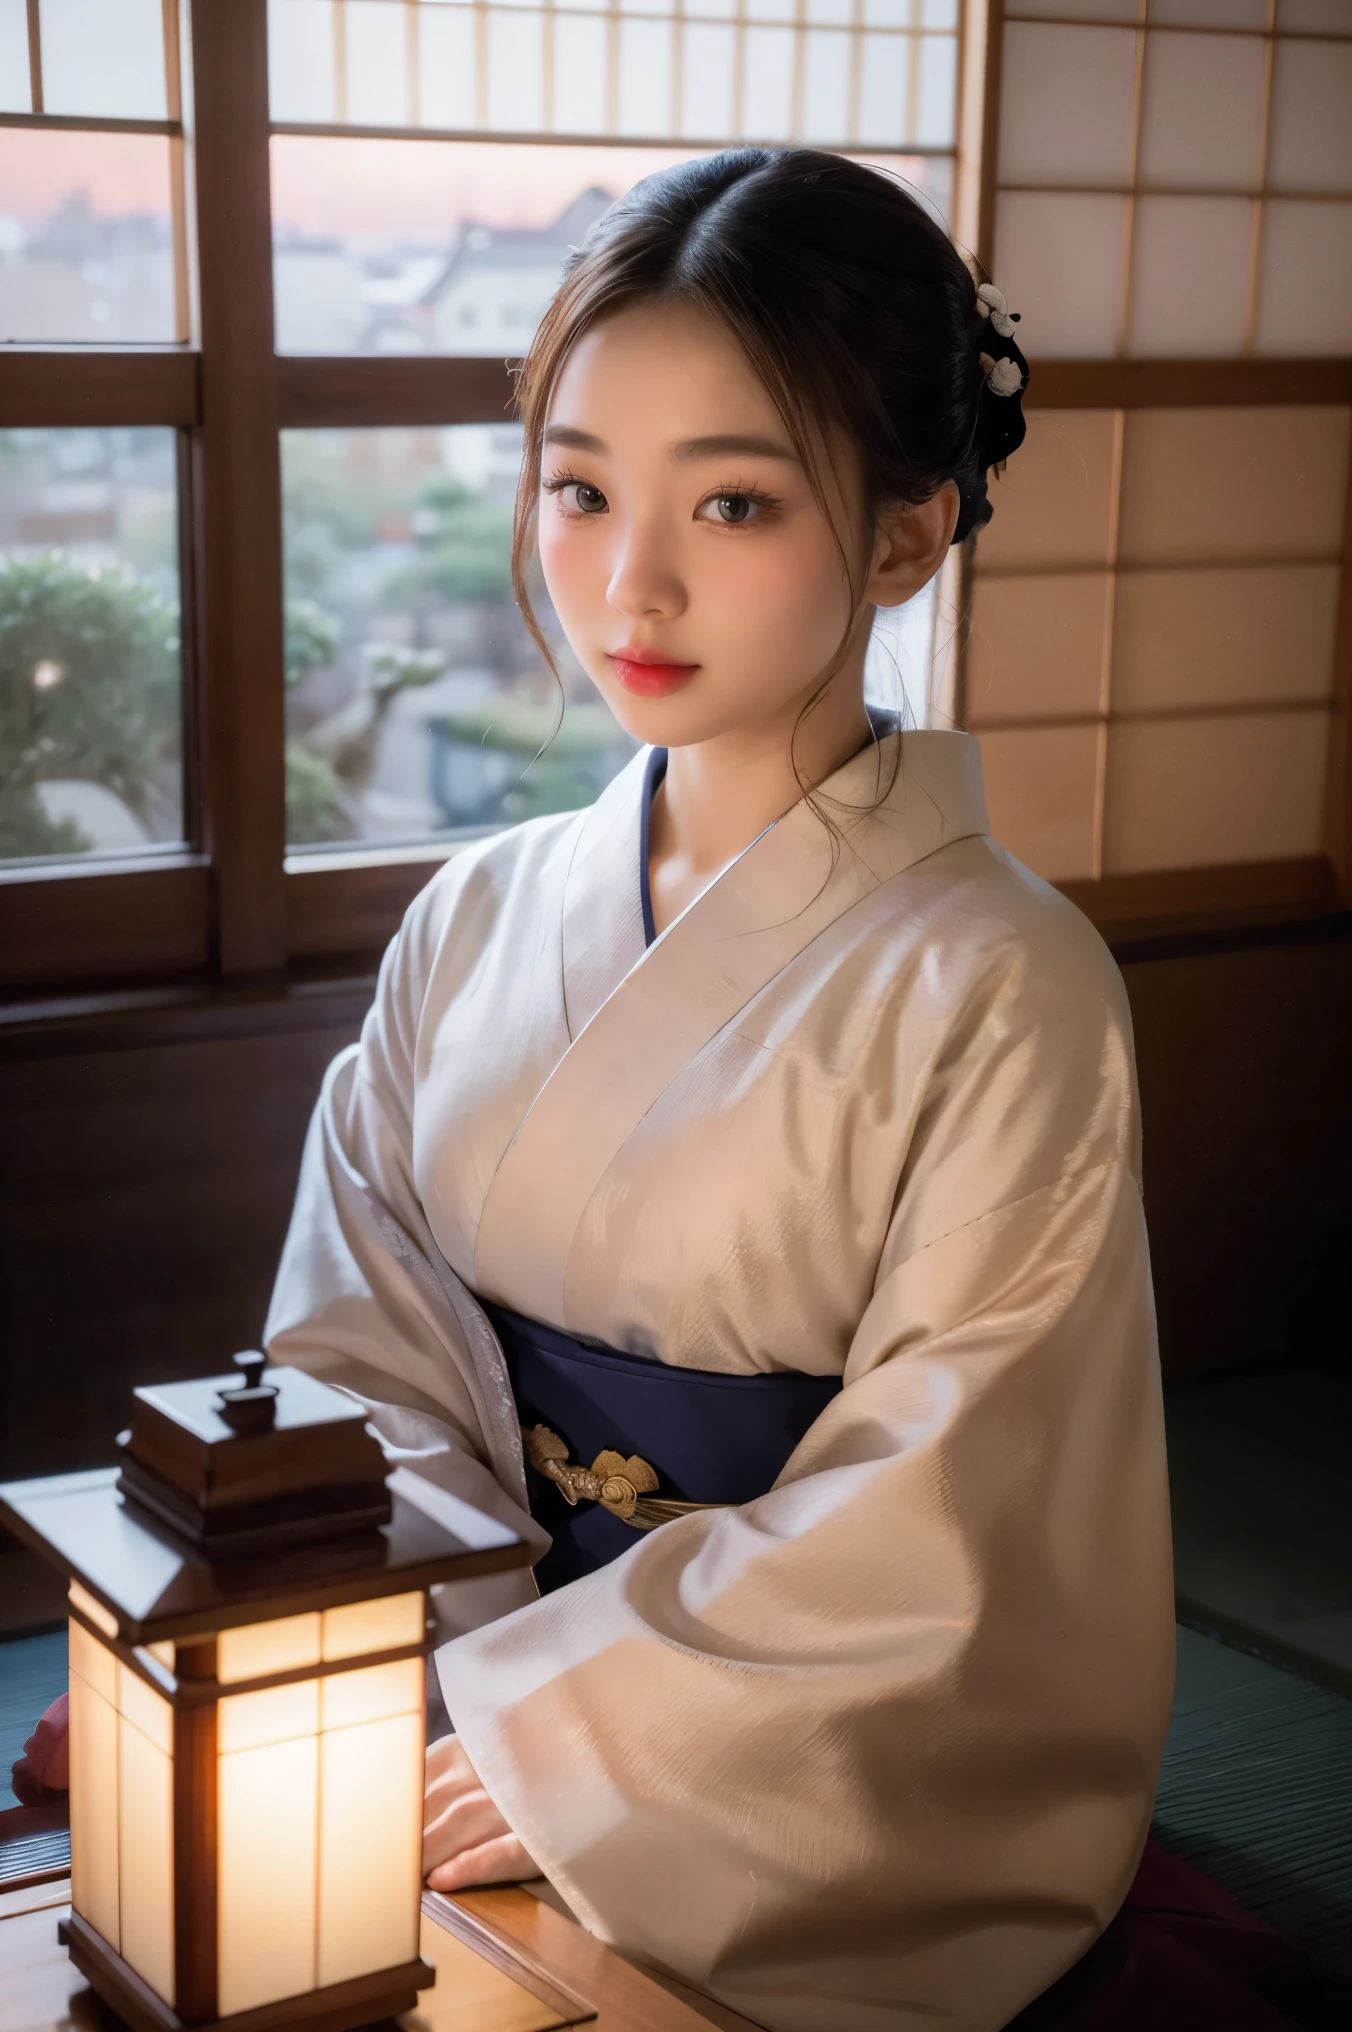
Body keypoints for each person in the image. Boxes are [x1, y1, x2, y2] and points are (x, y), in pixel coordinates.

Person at [265, 148, 1168, 2031]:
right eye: (580, 489)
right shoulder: (477, 916)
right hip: (466, 1669)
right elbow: (362, 1347)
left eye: (734, 501)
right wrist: (458, 1673)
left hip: (804, 1758)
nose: (627, 583)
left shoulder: (1007, 985)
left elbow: (955, 1498)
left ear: (912, 535)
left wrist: (576, 1742)